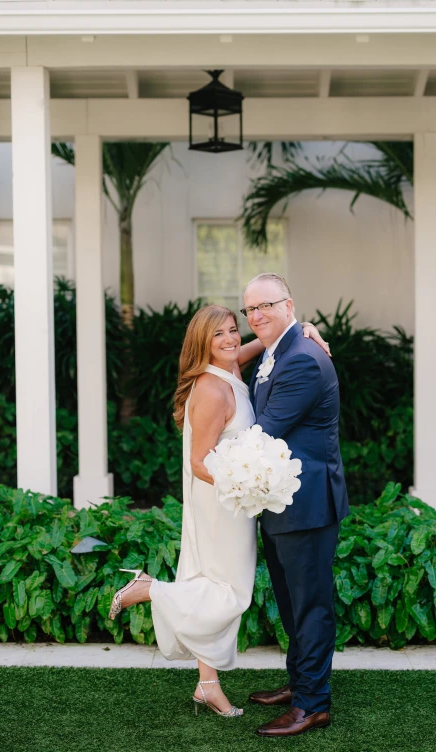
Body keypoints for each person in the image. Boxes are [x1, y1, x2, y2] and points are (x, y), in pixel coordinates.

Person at [107, 302, 330, 717]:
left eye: (232, 329)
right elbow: (198, 461)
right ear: (202, 344)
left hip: (232, 500)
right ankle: (148, 589)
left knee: (212, 582)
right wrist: (247, 486)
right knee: (229, 594)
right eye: (219, 335)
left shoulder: (229, 364)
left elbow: (267, 342)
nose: (231, 340)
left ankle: (207, 684)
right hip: (221, 502)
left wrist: (304, 329)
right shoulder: (211, 388)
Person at [245, 273, 349, 738]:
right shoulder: (279, 349)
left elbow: (262, 431)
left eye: (265, 306)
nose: (256, 316)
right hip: (281, 500)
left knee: (310, 606)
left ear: (289, 305)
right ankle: (300, 683)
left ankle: (313, 705)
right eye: (249, 310)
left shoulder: (303, 359)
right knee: (291, 602)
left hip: (305, 503)